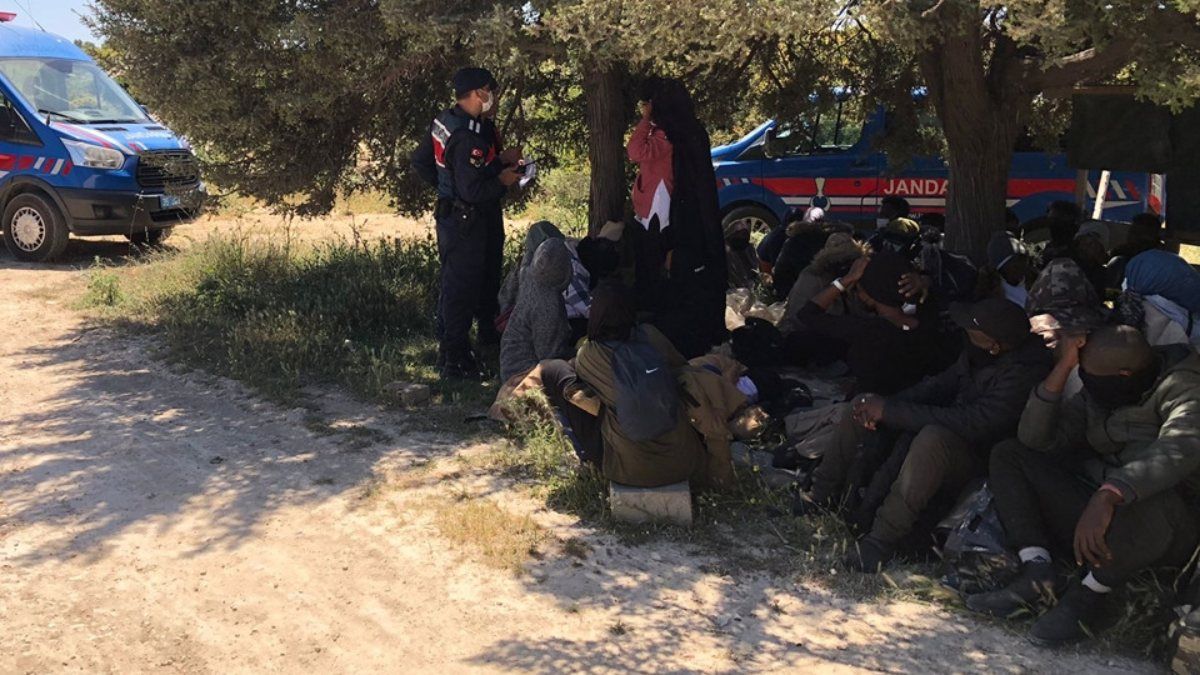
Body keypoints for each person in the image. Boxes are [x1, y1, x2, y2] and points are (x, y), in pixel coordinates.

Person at [966, 326, 1200, 646]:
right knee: (1010, 454)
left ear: (1124, 374)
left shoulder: (1185, 385)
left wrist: (1112, 492)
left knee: (1155, 500)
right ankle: (1037, 571)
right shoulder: (1101, 388)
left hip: (1160, 526)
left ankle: (1087, 597)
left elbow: (1180, 447)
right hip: (1097, 508)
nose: (1086, 383)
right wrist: (1063, 368)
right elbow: (1035, 439)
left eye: (1088, 376)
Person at [801, 299, 1051, 571]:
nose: (965, 334)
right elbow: (938, 386)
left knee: (932, 439)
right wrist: (882, 407)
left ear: (994, 344)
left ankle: (881, 540)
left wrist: (890, 411)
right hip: (955, 435)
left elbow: (975, 422)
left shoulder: (1024, 371)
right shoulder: (979, 355)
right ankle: (819, 495)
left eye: (973, 332)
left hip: (980, 460)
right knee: (861, 404)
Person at [411, 66, 521, 379]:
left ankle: (471, 342)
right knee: (461, 289)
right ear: (477, 93)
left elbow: (429, 163)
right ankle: (455, 360)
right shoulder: (466, 135)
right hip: (464, 220)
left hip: (459, 216)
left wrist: (496, 164)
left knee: (469, 282)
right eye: (490, 90)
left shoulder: (447, 121)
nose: (493, 96)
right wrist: (501, 181)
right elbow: (472, 189)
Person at [574, 284, 705, 487]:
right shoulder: (651, 335)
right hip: (683, 460)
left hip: (631, 469)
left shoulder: (589, 355)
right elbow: (682, 368)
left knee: (563, 382)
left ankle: (585, 459)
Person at [633, 78, 727, 358]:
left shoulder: (665, 135)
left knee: (664, 276)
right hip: (692, 219)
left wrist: (646, 120)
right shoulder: (692, 130)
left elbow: (635, 151)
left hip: (667, 216)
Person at [790, 250, 957, 395]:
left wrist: (845, 280)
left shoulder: (869, 331)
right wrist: (924, 281)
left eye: (859, 287)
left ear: (869, 292)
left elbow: (807, 314)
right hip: (919, 405)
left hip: (872, 411)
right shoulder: (930, 319)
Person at [498, 238, 575, 382]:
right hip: (522, 373)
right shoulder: (547, 305)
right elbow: (549, 355)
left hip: (510, 362)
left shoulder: (528, 275)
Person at [979, 232, 1033, 308]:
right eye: (1015, 264)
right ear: (1001, 268)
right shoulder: (990, 293)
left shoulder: (1034, 281)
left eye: (1024, 259)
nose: (1022, 266)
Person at [724, 217, 760, 290]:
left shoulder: (748, 248)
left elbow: (755, 268)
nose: (743, 237)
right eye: (740, 234)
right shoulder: (727, 252)